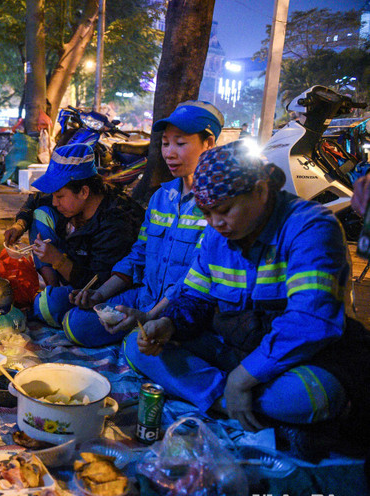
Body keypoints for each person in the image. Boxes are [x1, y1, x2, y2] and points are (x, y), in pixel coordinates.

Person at [126, 141, 370, 458]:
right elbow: (195, 299)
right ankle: (254, 414)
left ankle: (238, 403)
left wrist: (242, 378)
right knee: (137, 346)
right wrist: (169, 324)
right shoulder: (216, 235)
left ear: (260, 190)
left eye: (224, 210)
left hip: (304, 359)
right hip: (233, 347)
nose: (215, 223)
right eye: (207, 213)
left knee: (306, 397)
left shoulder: (311, 227)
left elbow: (311, 322)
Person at [67, 101, 223, 347]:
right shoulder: (161, 197)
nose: (169, 153)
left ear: (209, 143)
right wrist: (100, 294)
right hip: (145, 298)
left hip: (179, 312)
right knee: (76, 323)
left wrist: (151, 316)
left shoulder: (219, 206)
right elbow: (138, 254)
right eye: (165, 143)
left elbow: (195, 277)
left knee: (140, 345)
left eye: (180, 143)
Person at [29, 143, 144, 340]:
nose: (55, 202)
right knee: (40, 215)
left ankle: (61, 304)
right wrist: (20, 223)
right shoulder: (75, 202)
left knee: (65, 319)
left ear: (83, 191)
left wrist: (57, 260)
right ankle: (54, 289)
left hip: (105, 287)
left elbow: (98, 283)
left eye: (60, 196)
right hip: (80, 279)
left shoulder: (116, 222)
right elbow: (37, 199)